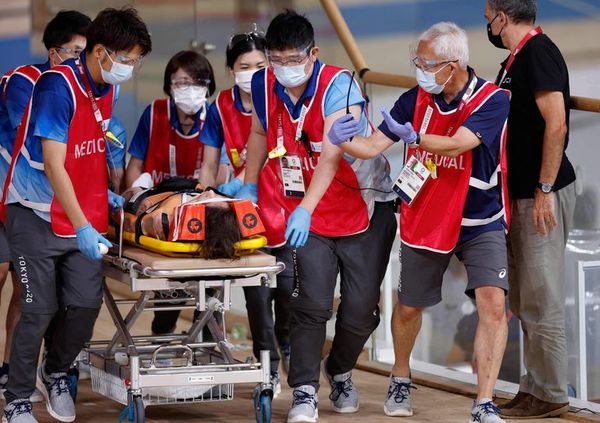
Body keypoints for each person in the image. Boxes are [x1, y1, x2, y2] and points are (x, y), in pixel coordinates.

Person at [329, 22, 511, 423]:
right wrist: (341, 138)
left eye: (427, 63)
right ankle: (400, 375)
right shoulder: (415, 99)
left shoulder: (492, 100)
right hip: (427, 213)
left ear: (454, 64)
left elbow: (459, 142)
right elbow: (374, 144)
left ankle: (484, 402)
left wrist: (415, 137)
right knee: (410, 306)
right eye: (418, 62)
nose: (419, 70)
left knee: (494, 304)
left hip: (479, 219)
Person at [237, 10, 396, 422]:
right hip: (307, 214)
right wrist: (250, 184)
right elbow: (258, 132)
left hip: (362, 208)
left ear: (313, 54)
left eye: (294, 60)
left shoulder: (339, 86)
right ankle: (304, 390)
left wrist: (305, 208)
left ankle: (340, 370)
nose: (285, 69)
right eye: (277, 59)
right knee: (310, 304)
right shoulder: (262, 82)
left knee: (362, 310)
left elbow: (330, 156)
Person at [1, 8, 151, 423]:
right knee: (37, 307)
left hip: (82, 213)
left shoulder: (108, 88)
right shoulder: (56, 86)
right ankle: (16, 397)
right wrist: (84, 225)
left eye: (136, 60)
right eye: (127, 58)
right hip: (34, 212)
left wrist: (103, 196)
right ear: (100, 51)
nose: (131, 68)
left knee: (85, 305)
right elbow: (53, 163)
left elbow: (90, 148)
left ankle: (57, 372)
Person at [484, 0, 576, 418]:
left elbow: (556, 123)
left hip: (541, 193)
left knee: (543, 297)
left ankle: (553, 392)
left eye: (488, 16)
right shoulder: (514, 59)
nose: (487, 23)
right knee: (524, 299)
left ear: (503, 17)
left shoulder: (539, 53)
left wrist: (544, 188)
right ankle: (533, 385)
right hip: (518, 192)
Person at [0, 10, 92, 403]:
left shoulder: (90, 90)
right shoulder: (23, 82)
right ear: (55, 54)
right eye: (76, 52)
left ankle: (12, 372)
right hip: (11, 199)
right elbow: (46, 142)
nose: (82, 61)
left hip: (52, 208)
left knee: (30, 295)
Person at [200, 30, 293, 396]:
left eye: (260, 65)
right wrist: (207, 195)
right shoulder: (221, 107)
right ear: (231, 70)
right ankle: (266, 362)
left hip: (284, 209)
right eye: (244, 66)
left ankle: (284, 343)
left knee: (287, 289)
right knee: (257, 294)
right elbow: (209, 164)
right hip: (245, 214)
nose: (253, 72)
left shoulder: (280, 98)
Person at [125, 50, 216, 188]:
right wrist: (137, 195)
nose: (191, 90)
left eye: (198, 83)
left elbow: (220, 171)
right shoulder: (154, 113)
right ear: (170, 86)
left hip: (196, 199)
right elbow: (135, 167)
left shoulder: (213, 117)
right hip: (155, 201)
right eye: (183, 83)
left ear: (208, 87)